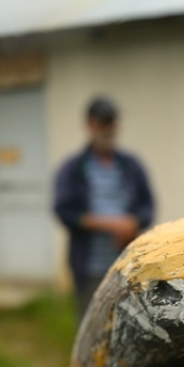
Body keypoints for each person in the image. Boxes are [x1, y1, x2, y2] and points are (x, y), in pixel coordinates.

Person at [53, 95, 156, 317]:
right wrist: (109, 225)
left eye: (112, 121)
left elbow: (147, 208)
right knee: (92, 329)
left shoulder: (132, 165)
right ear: (89, 124)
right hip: (89, 269)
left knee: (129, 325)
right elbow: (64, 211)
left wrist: (131, 224)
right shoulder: (73, 168)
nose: (108, 128)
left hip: (127, 266)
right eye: (103, 122)